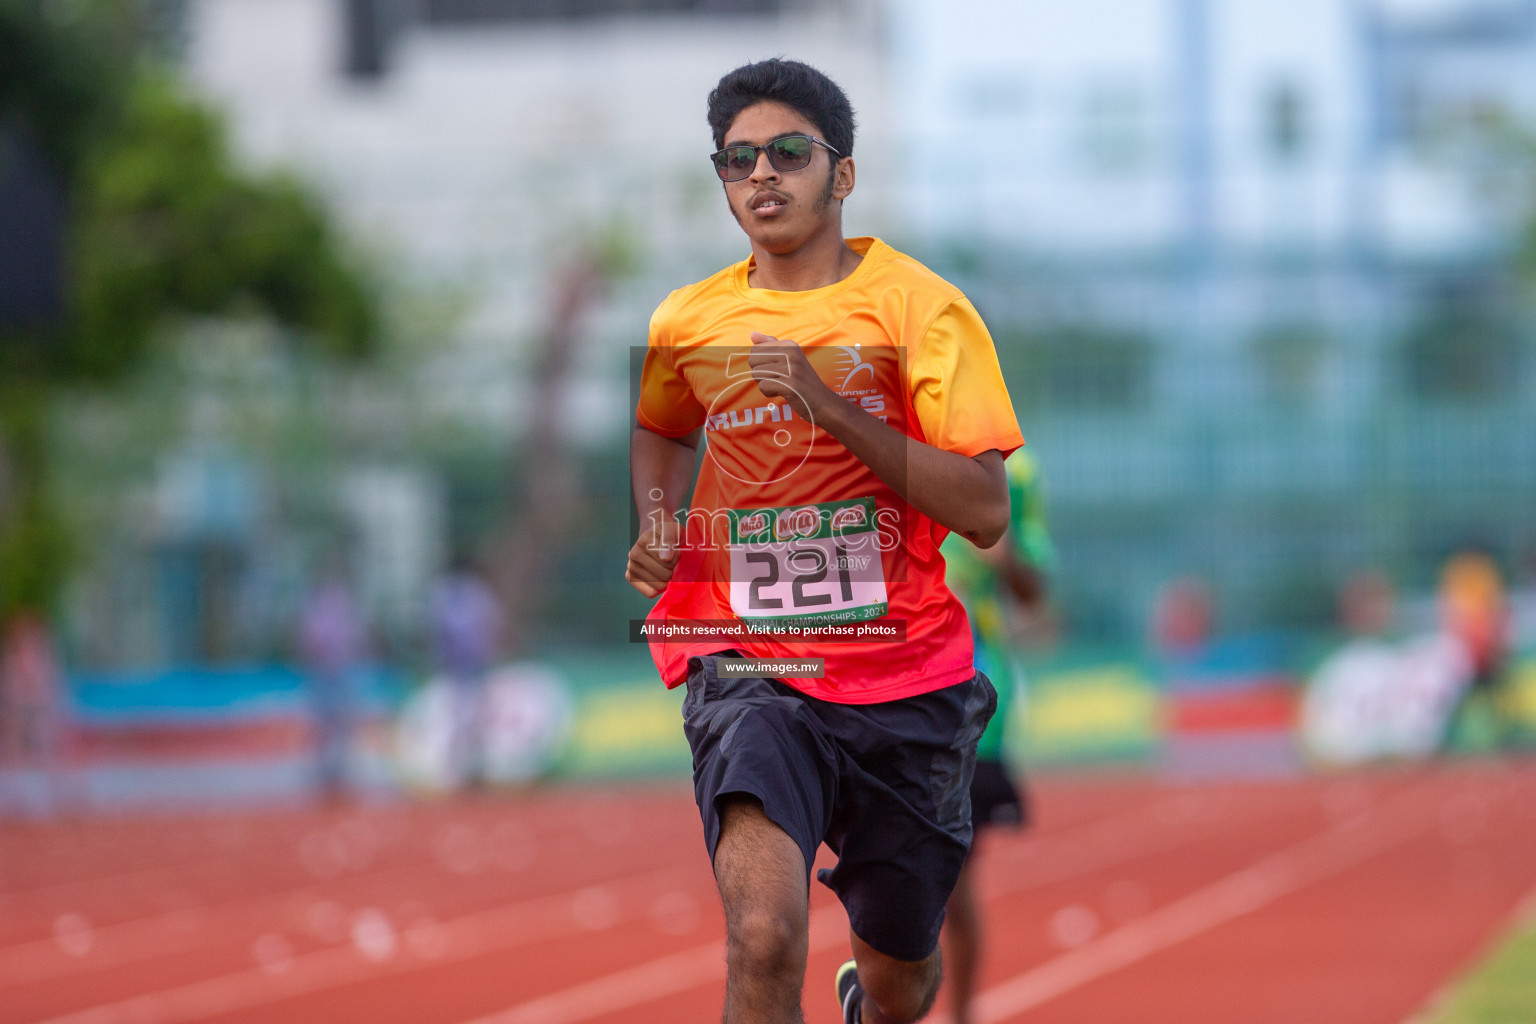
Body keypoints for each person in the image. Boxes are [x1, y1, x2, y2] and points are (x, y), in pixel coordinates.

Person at [625, 59, 1024, 1024]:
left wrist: (827, 405)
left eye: (789, 153)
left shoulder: (922, 311)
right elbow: (661, 426)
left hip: (905, 676)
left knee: (901, 983)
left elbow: (984, 508)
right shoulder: (690, 319)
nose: (762, 175)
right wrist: (657, 522)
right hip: (751, 665)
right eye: (738, 159)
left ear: (841, 174)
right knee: (763, 935)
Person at [937, 449, 1054, 1024]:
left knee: (952, 882)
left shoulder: (1017, 470)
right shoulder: (874, 428)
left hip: (970, 703)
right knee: (888, 875)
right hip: (876, 685)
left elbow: (1033, 587)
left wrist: (1004, 556)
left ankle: (959, 1015)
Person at [429, 558, 503, 787]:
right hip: (465, 665)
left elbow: (437, 629)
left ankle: (468, 770)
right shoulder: (473, 594)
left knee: (465, 718)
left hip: (463, 665)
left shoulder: (447, 594)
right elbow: (492, 625)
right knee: (467, 718)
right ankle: (468, 770)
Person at [297, 566, 369, 801]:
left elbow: (310, 643)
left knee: (332, 727)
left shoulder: (324, 608)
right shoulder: (337, 607)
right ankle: (332, 773)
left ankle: (332, 773)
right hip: (333, 674)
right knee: (333, 727)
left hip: (334, 674)